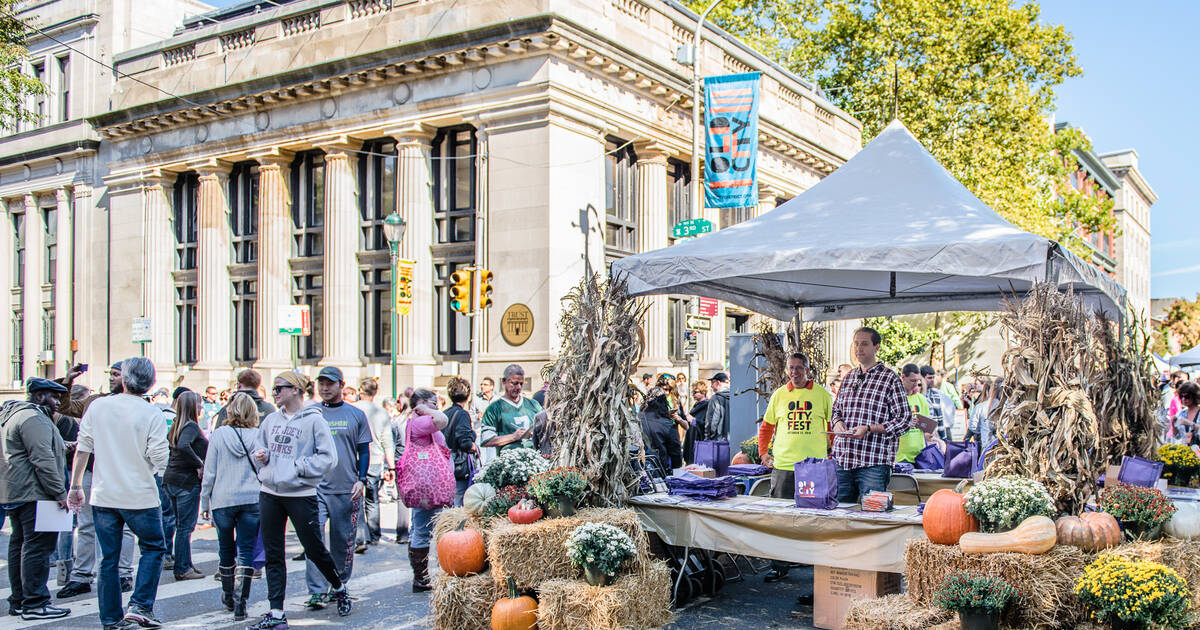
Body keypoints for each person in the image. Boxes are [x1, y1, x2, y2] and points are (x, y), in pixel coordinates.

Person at [67, 357, 170, 630]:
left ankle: (111, 619)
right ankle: (140, 605)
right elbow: (160, 457)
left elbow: (84, 447)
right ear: (150, 383)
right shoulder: (151, 413)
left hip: (104, 494)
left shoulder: (99, 406)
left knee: (108, 559)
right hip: (140, 494)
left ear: (124, 379)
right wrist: (157, 470)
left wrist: (76, 485)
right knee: (153, 547)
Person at [250, 370, 352, 629]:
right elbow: (258, 448)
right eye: (274, 389)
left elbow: (329, 458)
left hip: (300, 494)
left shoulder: (314, 421)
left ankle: (339, 587)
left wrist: (299, 467)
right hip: (270, 492)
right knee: (274, 554)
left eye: (279, 388)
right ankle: (276, 612)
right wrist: (262, 459)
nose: (275, 394)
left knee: (314, 549)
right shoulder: (271, 420)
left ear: (295, 390)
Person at [55, 362, 137, 599]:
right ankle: (81, 576)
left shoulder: (138, 404)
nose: (111, 378)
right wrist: (68, 381)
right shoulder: (96, 401)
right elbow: (67, 407)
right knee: (86, 524)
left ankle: (123, 573)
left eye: (116, 374)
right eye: (109, 374)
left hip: (122, 471)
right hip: (94, 468)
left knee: (126, 526)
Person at [757, 353, 832, 587]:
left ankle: (814, 568)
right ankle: (779, 566)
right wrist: (763, 453)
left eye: (800, 368)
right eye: (792, 368)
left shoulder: (822, 395)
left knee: (815, 519)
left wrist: (832, 454)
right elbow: (766, 427)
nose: (795, 372)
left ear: (808, 369)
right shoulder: (779, 395)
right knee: (781, 520)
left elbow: (832, 427)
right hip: (784, 466)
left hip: (813, 468)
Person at [1, 377, 72, 620]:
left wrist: (64, 446)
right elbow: (42, 458)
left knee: (20, 546)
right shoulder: (34, 417)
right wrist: (59, 493)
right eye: (54, 397)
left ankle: (20, 601)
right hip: (36, 493)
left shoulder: (14, 415)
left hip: (17, 491)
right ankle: (35, 603)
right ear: (40, 396)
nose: (57, 403)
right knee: (38, 548)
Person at [301, 367, 370, 611]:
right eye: (321, 383)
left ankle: (338, 583)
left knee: (343, 542)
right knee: (314, 541)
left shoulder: (356, 415)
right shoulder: (309, 413)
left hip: (346, 488)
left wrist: (361, 479)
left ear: (341, 385)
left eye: (330, 383)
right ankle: (317, 591)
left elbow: (363, 450)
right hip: (314, 489)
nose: (324, 388)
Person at [830, 327, 915, 503]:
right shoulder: (849, 377)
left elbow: (905, 420)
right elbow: (836, 410)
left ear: (876, 347)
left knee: (872, 517)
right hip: (843, 460)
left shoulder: (890, 379)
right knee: (839, 517)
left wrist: (869, 429)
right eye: (856, 344)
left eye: (864, 344)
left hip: (874, 463)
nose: (858, 349)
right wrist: (837, 423)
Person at [200, 393, 262, 620]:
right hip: (251, 498)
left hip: (223, 499)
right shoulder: (258, 436)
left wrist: (204, 500)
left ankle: (227, 593)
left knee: (225, 549)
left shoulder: (219, 435)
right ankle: (241, 602)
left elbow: (210, 472)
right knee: (246, 551)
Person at [396, 389, 452, 593]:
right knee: (423, 529)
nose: (436, 406)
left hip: (429, 486)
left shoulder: (419, 421)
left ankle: (423, 576)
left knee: (423, 529)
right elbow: (443, 419)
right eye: (432, 402)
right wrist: (425, 409)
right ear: (420, 403)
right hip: (427, 489)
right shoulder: (420, 421)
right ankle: (421, 577)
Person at [162, 391, 208, 581]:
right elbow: (183, 446)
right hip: (185, 482)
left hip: (172, 479)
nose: (201, 407)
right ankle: (182, 567)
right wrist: (199, 463)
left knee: (180, 525)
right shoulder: (190, 427)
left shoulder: (177, 425)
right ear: (193, 406)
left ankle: (185, 563)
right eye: (199, 404)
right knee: (185, 527)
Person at [353, 378, 394, 550]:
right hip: (376, 460)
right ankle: (374, 534)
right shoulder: (381, 412)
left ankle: (360, 537)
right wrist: (391, 466)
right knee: (373, 498)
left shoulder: (354, 410)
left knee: (357, 498)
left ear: (361, 390)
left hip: (356, 459)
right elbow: (387, 441)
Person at [480, 364, 543, 455]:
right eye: (514, 383)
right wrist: (514, 437)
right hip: (508, 462)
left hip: (534, 459)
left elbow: (547, 430)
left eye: (521, 384)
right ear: (504, 381)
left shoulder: (533, 405)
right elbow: (486, 440)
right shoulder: (494, 409)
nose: (518, 387)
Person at [442, 378, 478, 506]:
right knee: (459, 506)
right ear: (468, 396)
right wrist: (473, 441)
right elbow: (465, 443)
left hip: (445, 464)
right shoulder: (462, 414)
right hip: (459, 467)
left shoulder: (444, 413)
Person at [640, 386, 686, 471]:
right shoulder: (667, 424)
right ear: (664, 402)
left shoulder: (637, 418)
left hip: (637, 470)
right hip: (658, 469)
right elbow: (676, 454)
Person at [390, 393, 412, 544]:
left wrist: (389, 467)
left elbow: (391, 444)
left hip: (400, 461)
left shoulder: (397, 421)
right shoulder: (418, 420)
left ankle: (402, 533)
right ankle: (417, 532)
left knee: (402, 498)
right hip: (415, 462)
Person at [897, 365, 931, 463]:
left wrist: (929, 431)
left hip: (920, 455)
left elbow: (926, 427)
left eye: (918, 380)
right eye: (912, 381)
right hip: (900, 457)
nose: (916, 384)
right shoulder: (895, 398)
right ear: (903, 377)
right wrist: (906, 425)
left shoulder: (921, 399)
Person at [966, 378, 1002, 446]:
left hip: (986, 443)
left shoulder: (981, 406)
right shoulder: (1009, 407)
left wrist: (982, 430)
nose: (974, 386)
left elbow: (972, 426)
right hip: (1005, 447)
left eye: (976, 384)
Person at [920, 366, 954, 440]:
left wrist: (943, 437)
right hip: (920, 436)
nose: (932, 380)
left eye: (933, 377)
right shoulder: (916, 395)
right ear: (921, 378)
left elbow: (940, 417)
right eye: (929, 378)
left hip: (935, 436)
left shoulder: (936, 394)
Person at [682, 381, 709, 464]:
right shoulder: (697, 405)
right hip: (691, 438)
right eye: (692, 392)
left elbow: (707, 424)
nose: (693, 394)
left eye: (695, 392)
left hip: (699, 441)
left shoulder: (707, 405)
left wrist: (693, 420)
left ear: (703, 392)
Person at [703, 372, 731, 441]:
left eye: (712, 383)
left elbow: (712, 420)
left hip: (719, 439)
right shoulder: (734, 396)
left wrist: (708, 435)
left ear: (718, 383)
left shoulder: (715, 398)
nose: (711, 386)